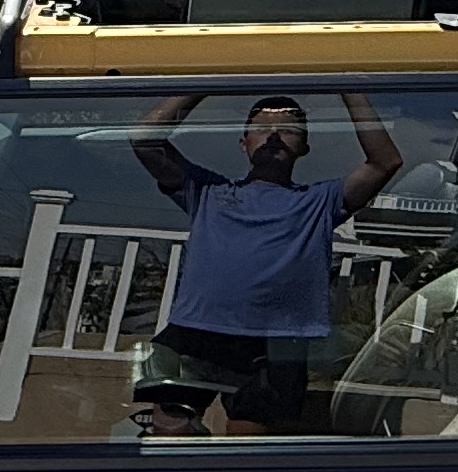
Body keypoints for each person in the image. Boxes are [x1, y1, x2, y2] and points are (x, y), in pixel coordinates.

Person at [121, 89, 405, 441]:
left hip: (275, 345)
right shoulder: (207, 190)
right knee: (168, 431)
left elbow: (385, 162)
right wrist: (203, 85)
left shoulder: (320, 201)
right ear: (243, 142)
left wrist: (349, 89)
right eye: (261, 127)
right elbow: (144, 140)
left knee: (246, 444)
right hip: (196, 331)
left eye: (288, 129)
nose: (273, 135)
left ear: (304, 147)